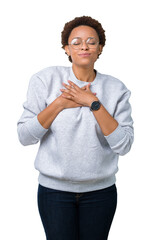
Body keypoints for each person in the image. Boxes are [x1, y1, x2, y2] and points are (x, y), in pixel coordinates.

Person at [17, 16, 134, 240]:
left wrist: (93, 104)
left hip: (100, 192)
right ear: (66, 48)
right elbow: (24, 136)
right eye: (76, 42)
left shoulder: (116, 89)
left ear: (100, 48)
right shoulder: (45, 80)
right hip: (54, 192)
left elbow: (124, 144)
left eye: (91, 41)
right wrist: (60, 103)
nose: (84, 46)